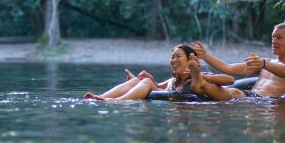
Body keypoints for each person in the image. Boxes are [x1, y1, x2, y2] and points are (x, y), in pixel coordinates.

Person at [189, 22, 285, 100]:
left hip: (264, 101)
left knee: (235, 93)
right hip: (251, 99)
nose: (274, 41)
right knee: (231, 91)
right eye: (273, 37)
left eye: (279, 38)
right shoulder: (264, 63)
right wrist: (205, 55)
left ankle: (201, 83)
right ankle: (200, 84)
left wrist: (264, 64)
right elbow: (228, 68)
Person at [83, 44, 234, 101]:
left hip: (213, 93)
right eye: (171, 57)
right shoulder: (171, 81)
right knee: (140, 81)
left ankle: (116, 101)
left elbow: (230, 80)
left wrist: (201, 76)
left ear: (190, 60)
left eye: (178, 57)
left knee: (146, 82)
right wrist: (140, 80)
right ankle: (102, 97)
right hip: (175, 95)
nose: (173, 60)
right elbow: (157, 87)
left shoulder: (202, 78)